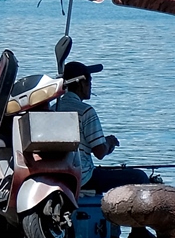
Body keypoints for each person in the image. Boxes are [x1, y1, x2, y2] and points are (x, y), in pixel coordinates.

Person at [53, 61, 148, 192]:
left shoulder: (53, 109)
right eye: (89, 82)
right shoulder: (86, 111)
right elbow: (100, 152)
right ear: (81, 84)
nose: (90, 86)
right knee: (139, 176)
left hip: (58, 176)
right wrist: (109, 142)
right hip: (83, 178)